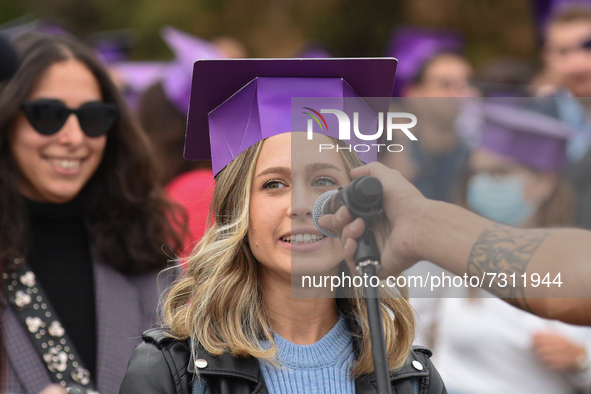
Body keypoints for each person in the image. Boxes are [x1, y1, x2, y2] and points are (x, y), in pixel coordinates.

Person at [120, 58, 446, 394]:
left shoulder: (411, 380)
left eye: (324, 180)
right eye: (274, 184)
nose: (302, 206)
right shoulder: (170, 374)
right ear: (237, 209)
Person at [0, 33, 183, 393]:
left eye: (93, 117)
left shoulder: (144, 245)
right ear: (7, 118)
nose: (73, 136)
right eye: (48, 114)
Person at [418, 102, 591, 394]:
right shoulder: (446, 259)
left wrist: (582, 362)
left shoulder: (580, 267)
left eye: (498, 173)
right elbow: (408, 347)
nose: (482, 184)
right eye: (476, 174)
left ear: (544, 183)